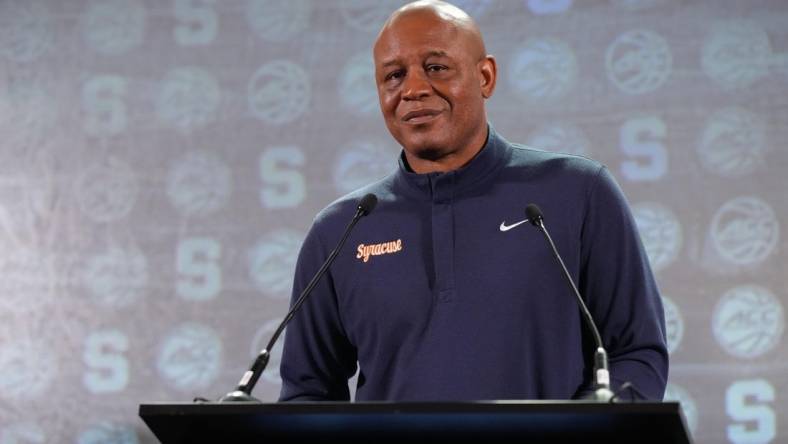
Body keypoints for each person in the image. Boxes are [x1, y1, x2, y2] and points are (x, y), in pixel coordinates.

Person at [279, 0, 668, 401]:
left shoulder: (578, 192)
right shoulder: (342, 229)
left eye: (436, 68)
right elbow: (307, 392)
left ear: (485, 76)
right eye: (394, 76)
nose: (413, 89)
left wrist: (577, 430)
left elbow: (637, 354)